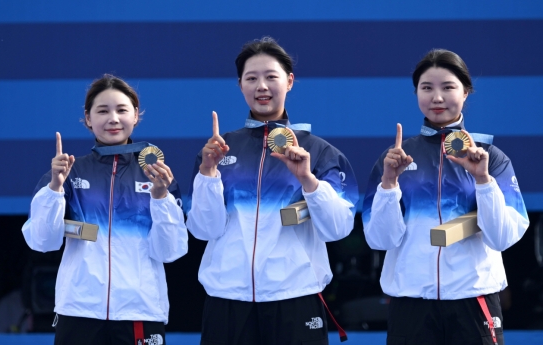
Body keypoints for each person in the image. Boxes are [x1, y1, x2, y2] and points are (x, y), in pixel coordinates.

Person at [186, 37, 359, 344]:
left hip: (295, 297)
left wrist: (308, 180)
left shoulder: (319, 153)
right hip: (227, 299)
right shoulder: (217, 151)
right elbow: (203, 229)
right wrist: (208, 172)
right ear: (240, 85)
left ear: (289, 82)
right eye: (251, 78)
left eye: (271, 77)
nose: (261, 86)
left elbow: (337, 229)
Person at [362, 49, 529, 344]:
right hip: (410, 304)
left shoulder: (492, 158)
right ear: (416, 93)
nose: (437, 98)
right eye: (427, 88)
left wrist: (483, 180)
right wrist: (389, 183)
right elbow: (379, 240)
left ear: (465, 92)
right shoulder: (395, 159)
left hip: (473, 300)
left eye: (448, 87)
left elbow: (503, 237)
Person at [22, 74, 188, 345]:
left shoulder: (155, 174)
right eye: (102, 111)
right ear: (87, 118)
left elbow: (171, 252)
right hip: (79, 311)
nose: (113, 118)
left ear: (136, 115)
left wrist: (160, 197)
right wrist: (54, 189)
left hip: (140, 311)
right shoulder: (68, 173)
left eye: (122, 110)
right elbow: (42, 242)